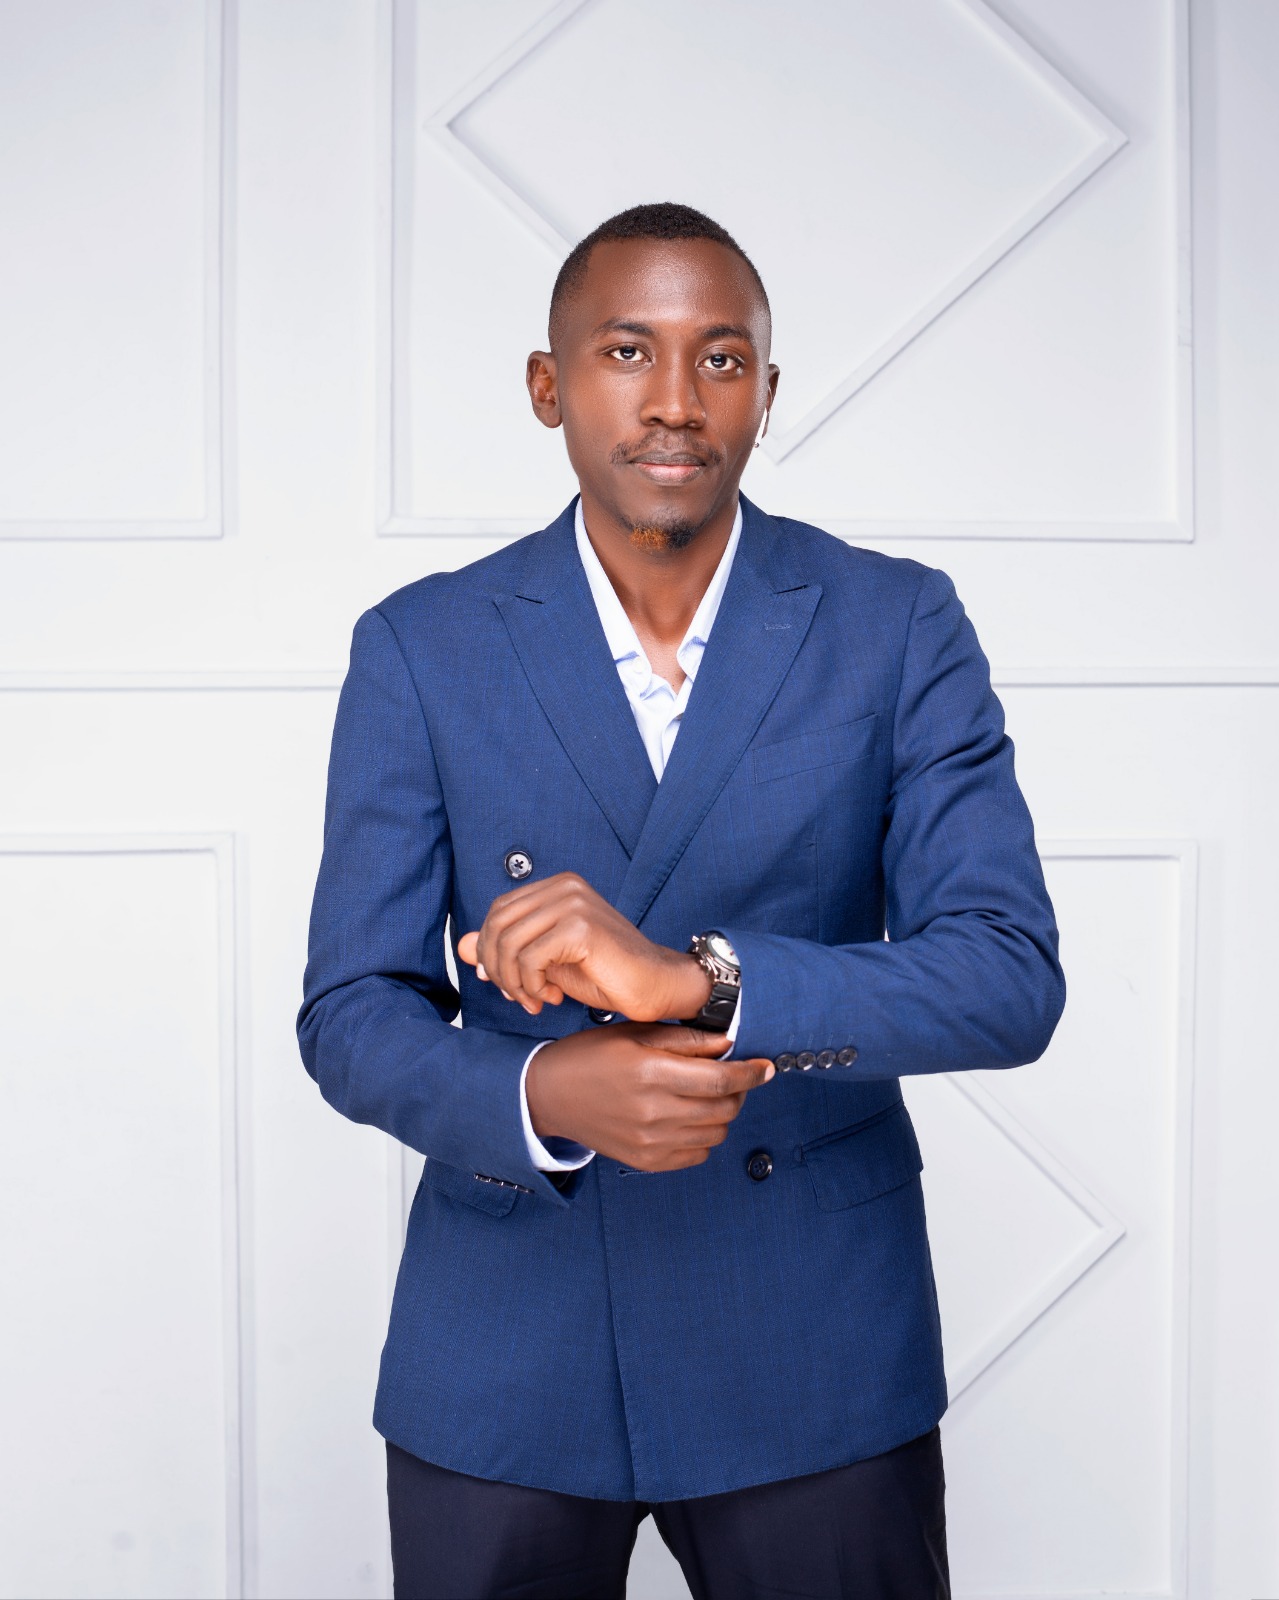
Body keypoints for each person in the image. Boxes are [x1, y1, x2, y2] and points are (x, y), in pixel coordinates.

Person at [298, 201, 1065, 1599]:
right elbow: (351, 1012)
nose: (674, 400)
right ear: (549, 386)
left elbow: (1007, 975)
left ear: (767, 390)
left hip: (814, 1343)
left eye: (720, 358)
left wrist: (704, 981)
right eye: (625, 351)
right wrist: (544, 1093)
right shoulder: (423, 645)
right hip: (506, 1348)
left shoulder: (895, 623)